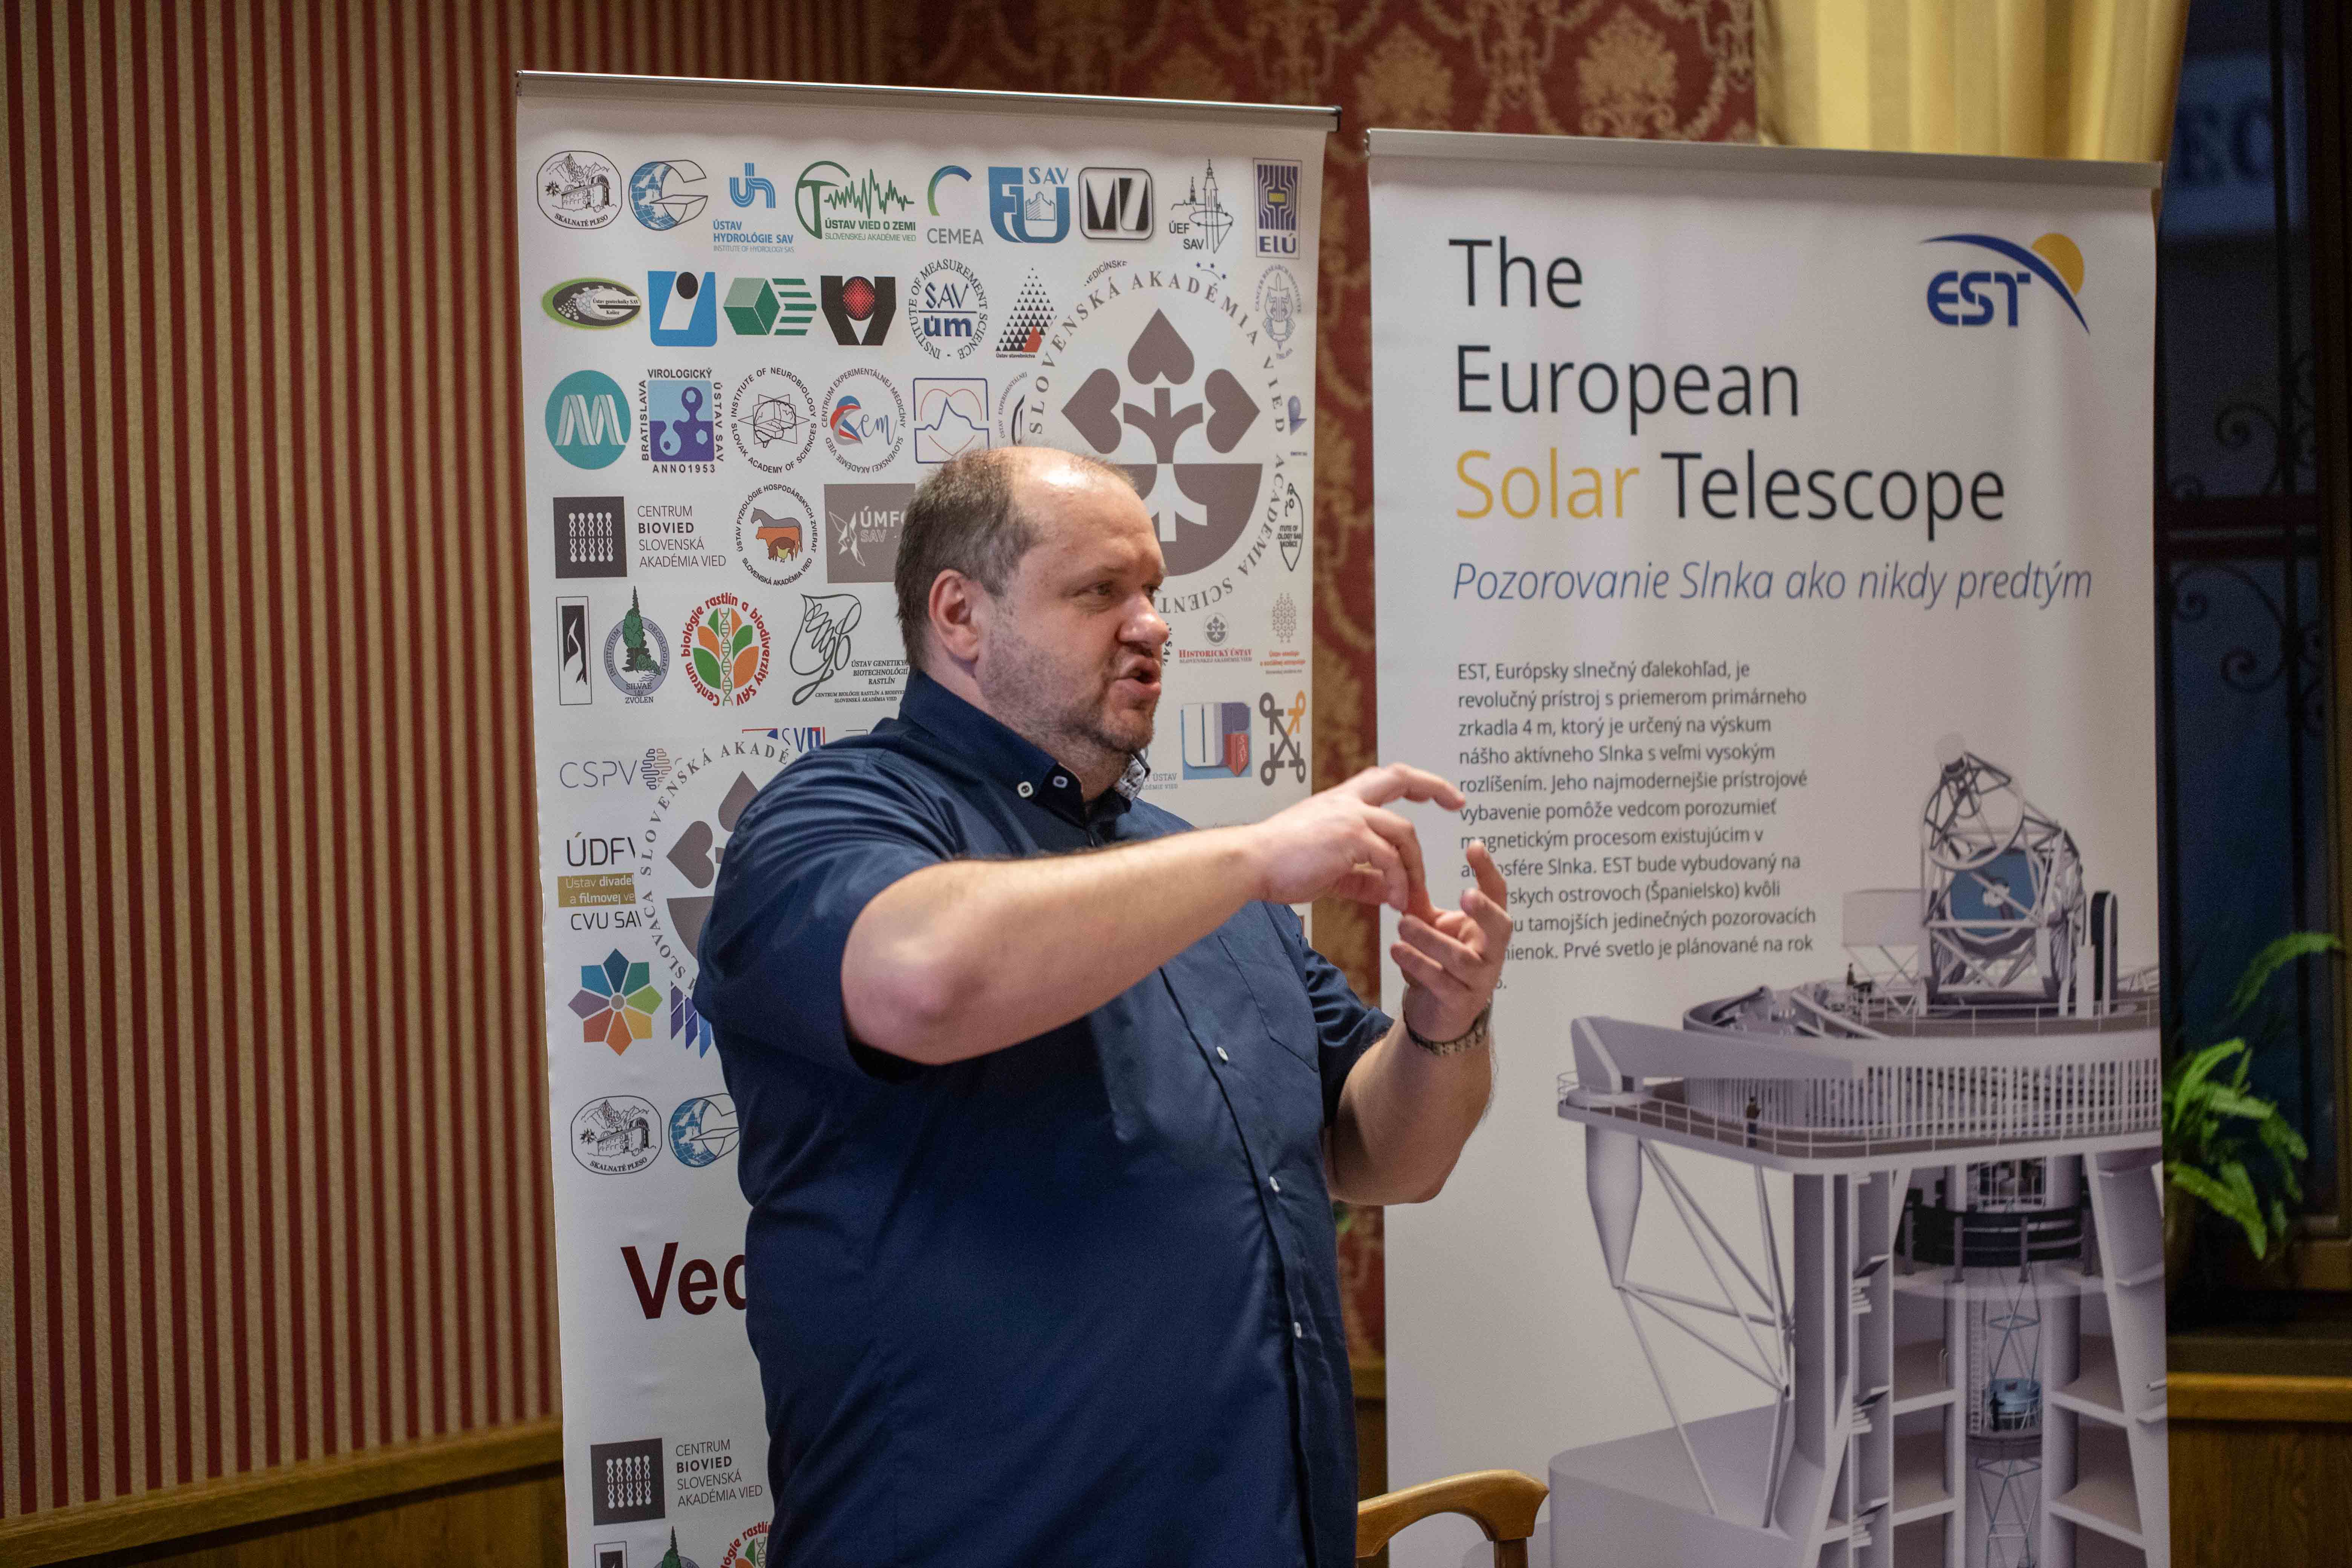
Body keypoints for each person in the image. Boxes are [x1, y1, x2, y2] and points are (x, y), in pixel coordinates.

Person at [695, 446, 1513, 1566]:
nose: (1153, 626)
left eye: (1155, 592)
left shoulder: (1193, 869)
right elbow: (922, 976)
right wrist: (1254, 858)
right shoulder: (831, 816)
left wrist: (1445, 1024)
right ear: (960, 615)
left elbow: (1390, 1157)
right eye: (1100, 592)